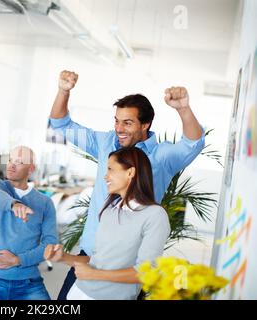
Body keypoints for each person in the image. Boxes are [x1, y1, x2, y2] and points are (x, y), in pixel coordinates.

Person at [49, 70, 205, 299]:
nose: (119, 129)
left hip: (127, 266)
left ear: (145, 125)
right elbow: (61, 124)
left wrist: (183, 108)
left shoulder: (161, 157)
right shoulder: (105, 142)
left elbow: (193, 143)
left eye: (128, 123)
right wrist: (63, 90)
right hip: (90, 253)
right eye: (117, 121)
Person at [46, 147, 170, 300]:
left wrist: (94, 274)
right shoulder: (110, 210)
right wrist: (63, 257)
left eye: (111, 169)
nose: (106, 177)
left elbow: (146, 272)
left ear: (130, 172)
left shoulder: (154, 215)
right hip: (79, 291)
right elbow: (97, 260)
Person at [0, 146, 58, 300]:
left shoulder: (45, 203)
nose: (11, 165)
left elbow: (50, 245)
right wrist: (14, 204)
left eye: (19, 162)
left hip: (28, 283)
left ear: (31, 169)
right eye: (10, 160)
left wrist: (18, 260)